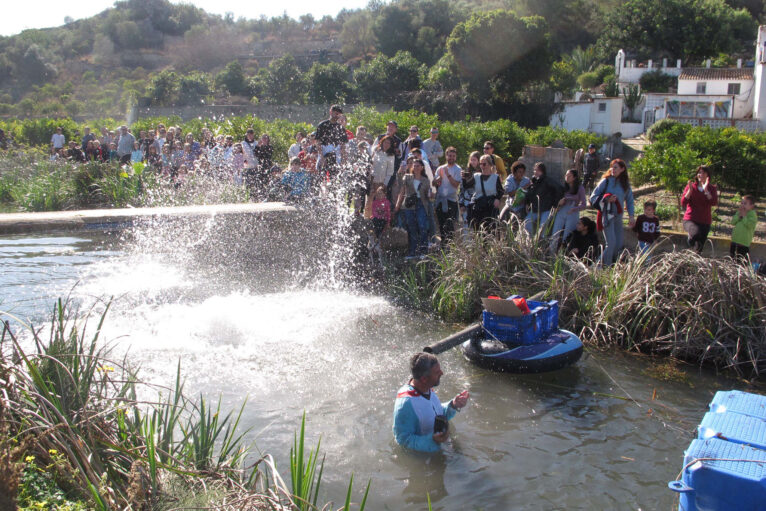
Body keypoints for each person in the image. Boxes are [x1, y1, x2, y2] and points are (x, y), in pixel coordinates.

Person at [393, 352, 469, 453]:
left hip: (443, 444)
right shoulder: (406, 404)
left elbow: (433, 412)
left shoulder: (427, 388)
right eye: (437, 372)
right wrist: (432, 440)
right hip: (426, 458)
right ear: (424, 379)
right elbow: (403, 441)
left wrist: (453, 405)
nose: (442, 373)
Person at [590, 159, 636, 266]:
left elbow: (629, 201)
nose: (613, 169)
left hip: (618, 217)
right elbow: (593, 197)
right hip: (607, 216)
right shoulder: (605, 181)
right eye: (612, 167)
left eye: (615, 167)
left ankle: (611, 266)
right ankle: (598, 266)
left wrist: (631, 216)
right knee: (610, 243)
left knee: (618, 244)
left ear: (622, 169)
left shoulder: (625, 185)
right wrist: (606, 199)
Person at [395, 157, 430, 258]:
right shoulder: (407, 177)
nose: (416, 167)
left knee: (422, 226)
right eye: (414, 165)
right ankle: (412, 252)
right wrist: (398, 205)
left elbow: (427, 195)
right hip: (409, 204)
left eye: (418, 166)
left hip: (421, 204)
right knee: (411, 227)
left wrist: (431, 194)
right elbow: (401, 187)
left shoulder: (425, 180)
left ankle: (423, 250)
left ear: (422, 167)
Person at [681, 165, 718, 254]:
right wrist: (689, 191)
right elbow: (683, 202)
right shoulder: (691, 186)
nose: (701, 174)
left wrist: (706, 191)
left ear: (707, 175)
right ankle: (690, 239)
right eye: (699, 172)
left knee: (698, 249)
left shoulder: (712, 188)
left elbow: (713, 202)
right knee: (695, 234)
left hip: (705, 222)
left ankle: (692, 263)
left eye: (703, 173)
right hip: (690, 219)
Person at [550, 169, 587, 252]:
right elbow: (557, 201)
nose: (567, 177)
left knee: (567, 235)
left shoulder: (580, 188)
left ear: (574, 178)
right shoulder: (563, 187)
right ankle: (551, 254)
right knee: (555, 233)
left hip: (573, 211)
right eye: (566, 175)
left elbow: (584, 204)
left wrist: (575, 209)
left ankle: (563, 255)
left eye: (569, 176)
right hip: (562, 210)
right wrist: (559, 204)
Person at [524, 162, 562, 237]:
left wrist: (555, 205)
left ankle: (541, 244)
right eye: (535, 170)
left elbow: (559, 189)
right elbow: (529, 194)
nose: (536, 172)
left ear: (542, 171)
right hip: (535, 209)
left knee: (543, 228)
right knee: (526, 224)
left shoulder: (548, 181)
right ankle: (531, 241)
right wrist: (527, 203)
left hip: (546, 209)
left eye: (538, 170)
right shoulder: (533, 181)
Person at [433, 146, 462, 243]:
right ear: (446, 156)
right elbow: (434, 183)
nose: (451, 158)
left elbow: (456, 184)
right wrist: (438, 179)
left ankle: (450, 246)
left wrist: (448, 174)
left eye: (453, 156)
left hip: (451, 200)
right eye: (450, 156)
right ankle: (444, 246)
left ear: (456, 157)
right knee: (441, 224)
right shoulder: (440, 168)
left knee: (450, 224)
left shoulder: (458, 169)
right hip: (441, 200)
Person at [468, 154, 504, 230]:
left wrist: (497, 199)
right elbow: (466, 186)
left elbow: (501, 191)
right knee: (478, 231)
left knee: (491, 230)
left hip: (490, 207)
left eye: (484, 164)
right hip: (479, 207)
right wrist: (463, 178)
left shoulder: (495, 177)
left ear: (490, 165)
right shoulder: (476, 176)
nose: (482, 166)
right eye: (480, 164)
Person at [369, 135, 396, 217]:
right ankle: (368, 217)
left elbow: (390, 172)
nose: (386, 144)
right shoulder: (376, 150)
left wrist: (385, 183)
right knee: (369, 199)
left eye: (389, 143)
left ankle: (378, 218)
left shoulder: (391, 156)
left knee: (379, 200)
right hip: (371, 179)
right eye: (385, 142)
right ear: (382, 142)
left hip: (381, 181)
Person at [315, 105, 348, 169]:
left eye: (339, 114)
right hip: (324, 151)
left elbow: (343, 145)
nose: (337, 115)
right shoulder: (322, 125)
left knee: (337, 175)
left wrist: (344, 160)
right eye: (336, 113)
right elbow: (318, 142)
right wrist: (322, 157)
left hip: (336, 152)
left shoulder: (340, 128)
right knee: (321, 173)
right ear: (331, 112)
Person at [730, 194, 758, 263]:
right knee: (732, 259)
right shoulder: (739, 212)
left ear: (752, 206)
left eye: (745, 203)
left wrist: (744, 216)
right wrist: (739, 216)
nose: (742, 205)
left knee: (741, 261)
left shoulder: (752, 214)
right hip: (735, 240)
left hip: (743, 243)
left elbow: (749, 225)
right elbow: (733, 222)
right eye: (741, 203)